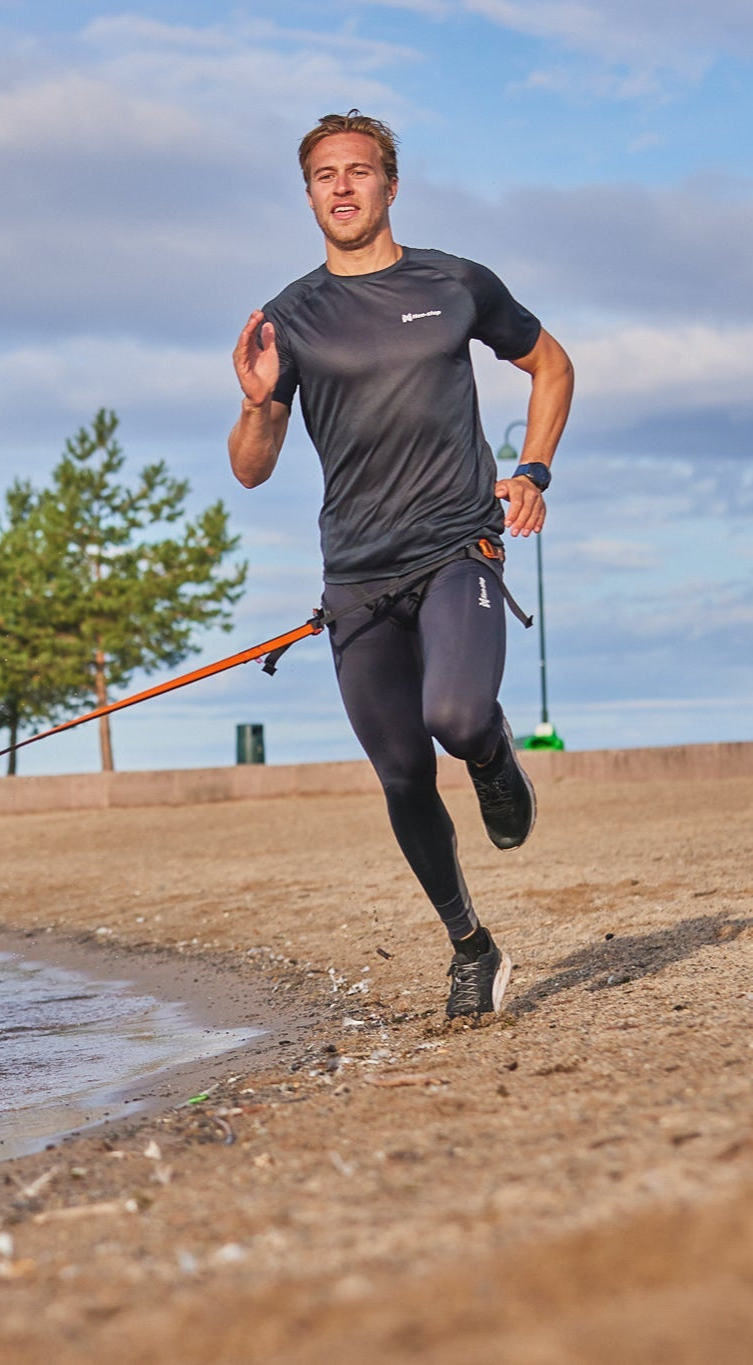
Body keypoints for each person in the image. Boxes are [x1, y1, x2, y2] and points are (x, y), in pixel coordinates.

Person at [229, 110, 574, 1019]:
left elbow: (552, 366)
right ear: (307, 194)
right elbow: (251, 468)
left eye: (359, 170)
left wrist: (532, 469)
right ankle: (473, 947)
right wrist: (261, 404)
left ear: (390, 184)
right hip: (356, 579)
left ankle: (496, 754)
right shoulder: (289, 317)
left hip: (457, 545)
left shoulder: (456, 283)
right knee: (401, 775)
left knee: (457, 717)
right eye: (323, 175)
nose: (342, 187)